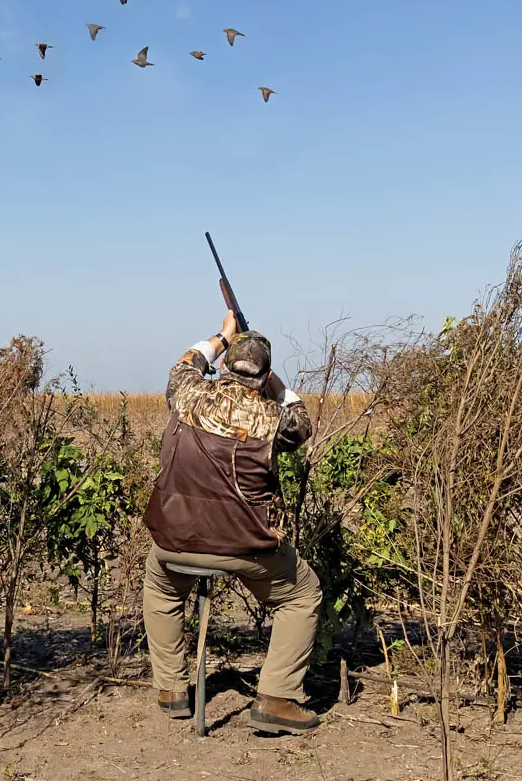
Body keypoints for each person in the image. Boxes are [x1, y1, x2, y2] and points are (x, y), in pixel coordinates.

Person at [142, 310, 322, 734]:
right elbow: (301, 421)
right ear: (265, 377)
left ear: (223, 367)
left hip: (175, 536)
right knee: (303, 595)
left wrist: (223, 337)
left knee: (161, 587)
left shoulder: (187, 394)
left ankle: (172, 691)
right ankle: (276, 698)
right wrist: (273, 384)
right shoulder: (276, 419)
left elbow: (185, 365)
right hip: (246, 545)